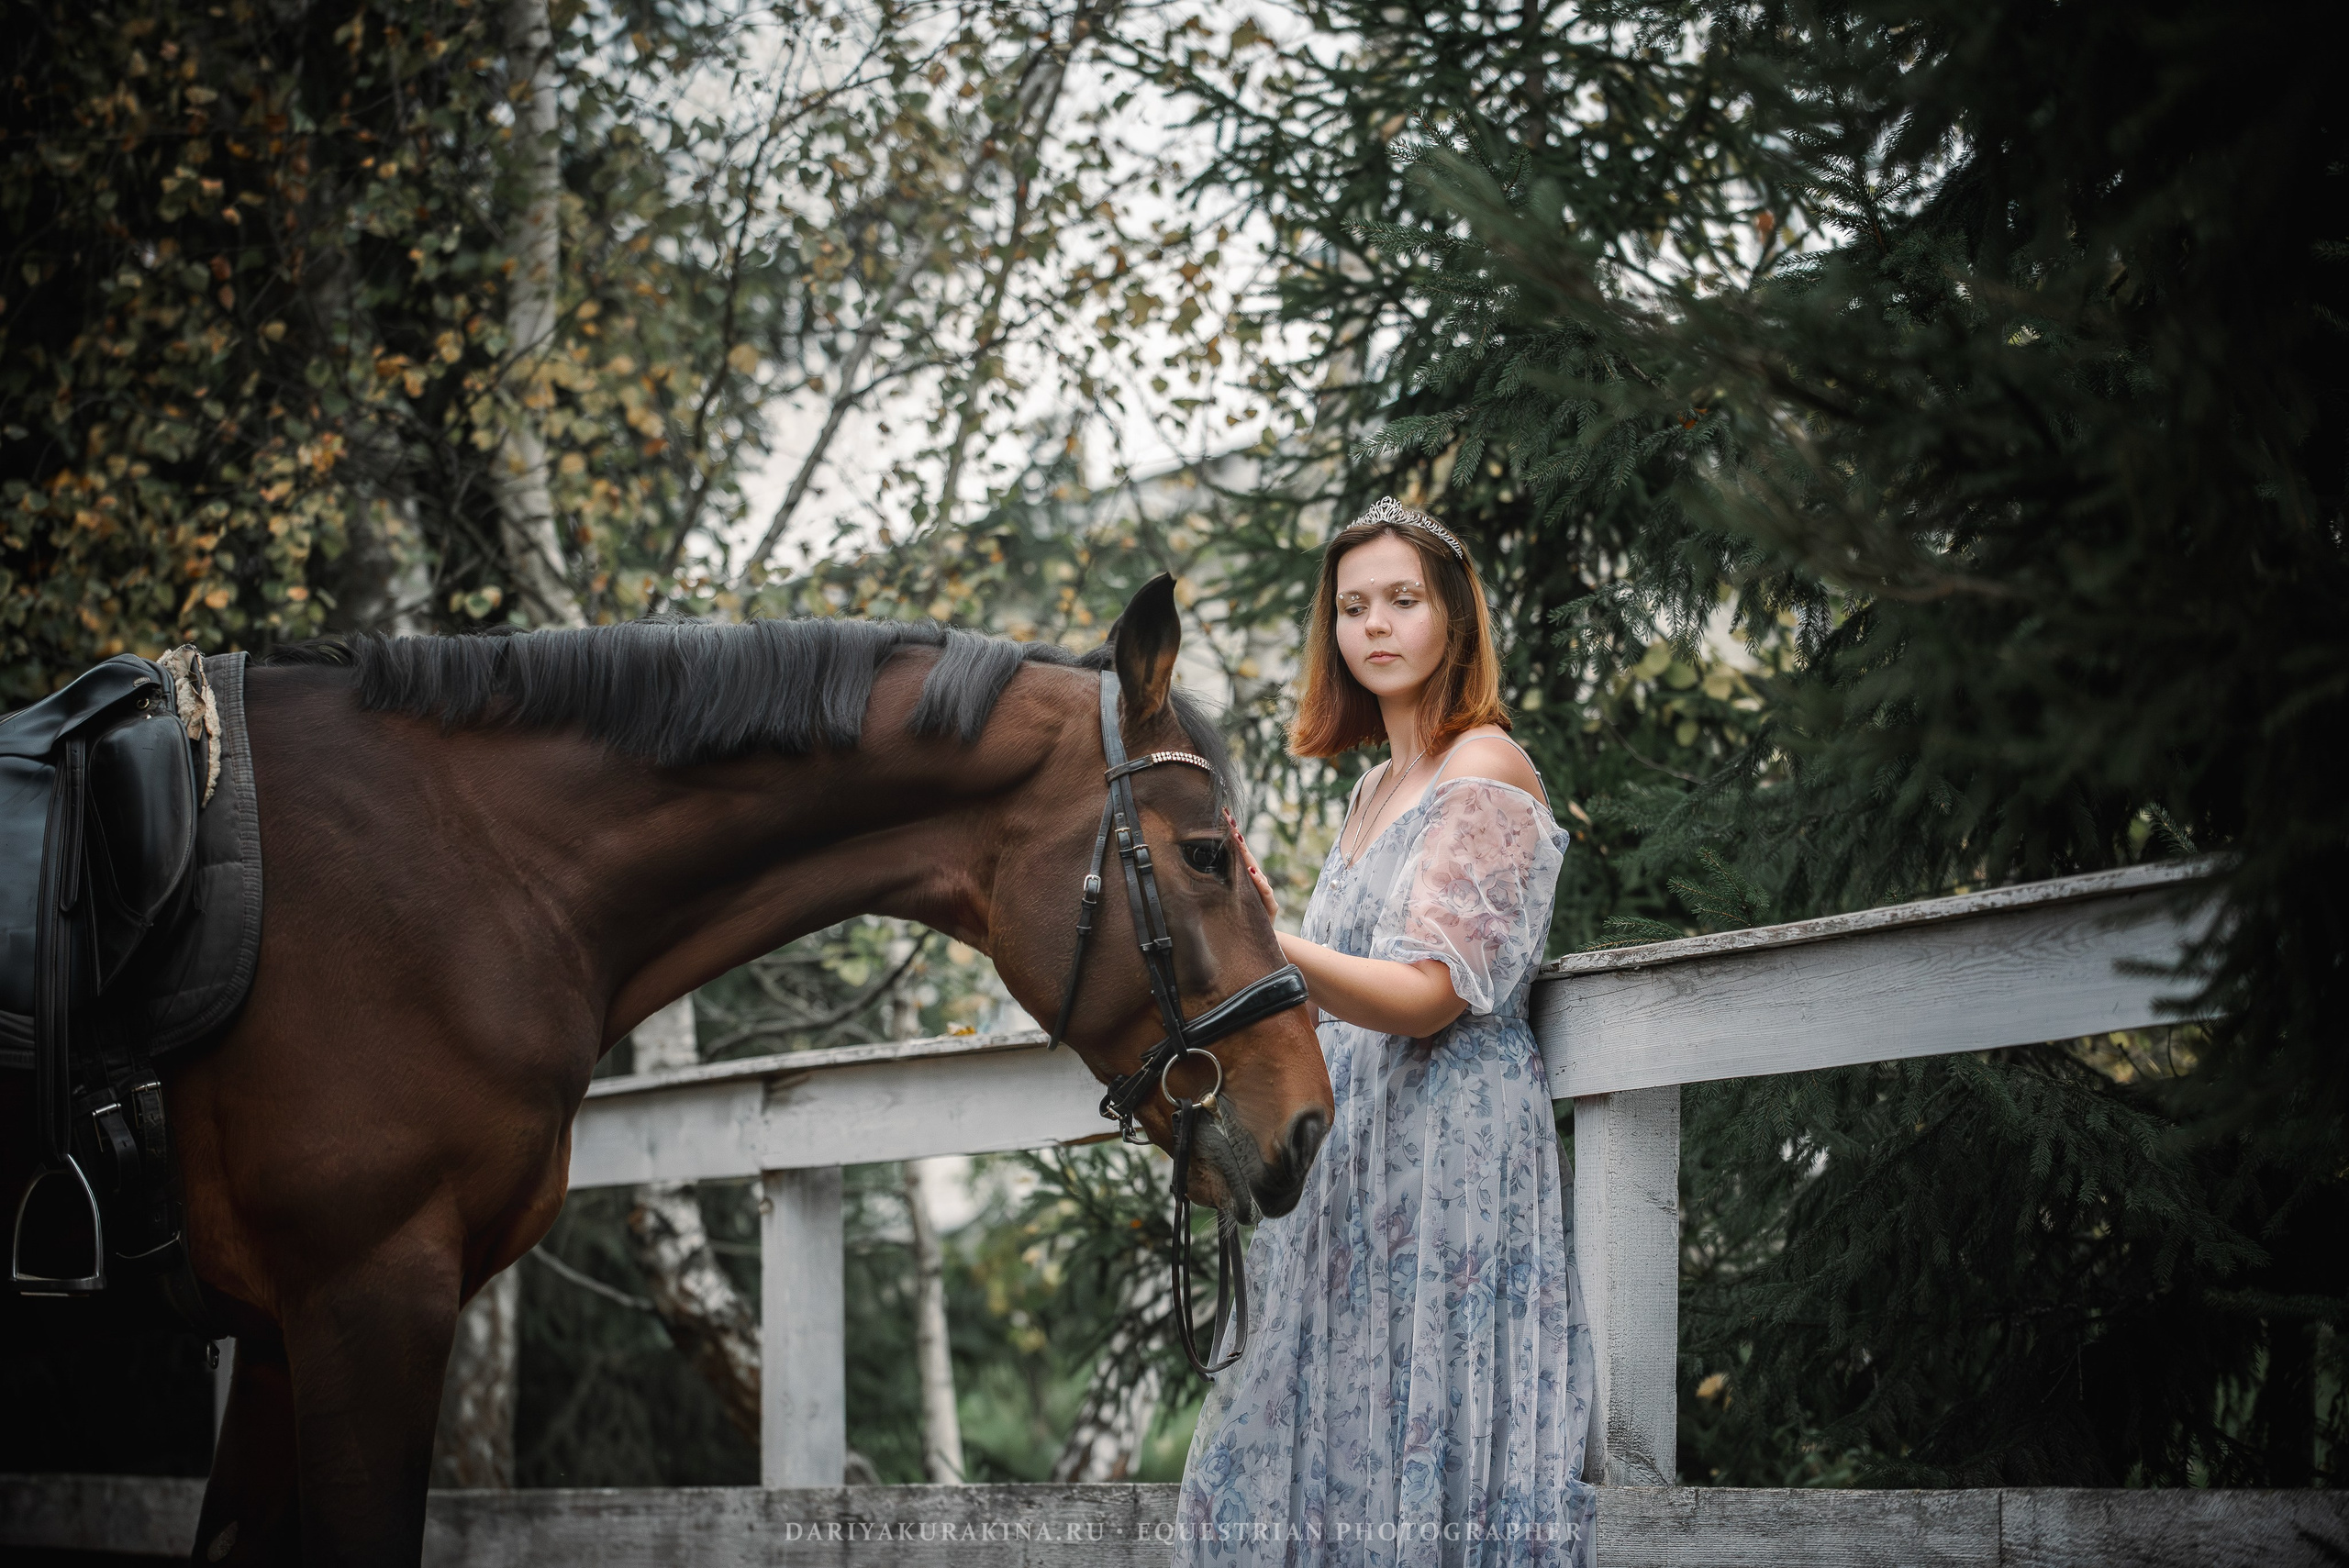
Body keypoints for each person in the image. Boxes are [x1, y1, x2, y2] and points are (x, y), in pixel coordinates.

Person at [1172, 497, 1597, 1567]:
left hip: (1449, 1137)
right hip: (1354, 1146)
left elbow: (1425, 993)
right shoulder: (1372, 788)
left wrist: (1264, 936)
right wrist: (1244, 926)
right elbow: (1331, 988)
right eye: (1353, 606)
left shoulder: (1485, 764)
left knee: (1427, 1419)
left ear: (1454, 615)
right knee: (1327, 1427)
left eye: (1402, 599)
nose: (1375, 624)